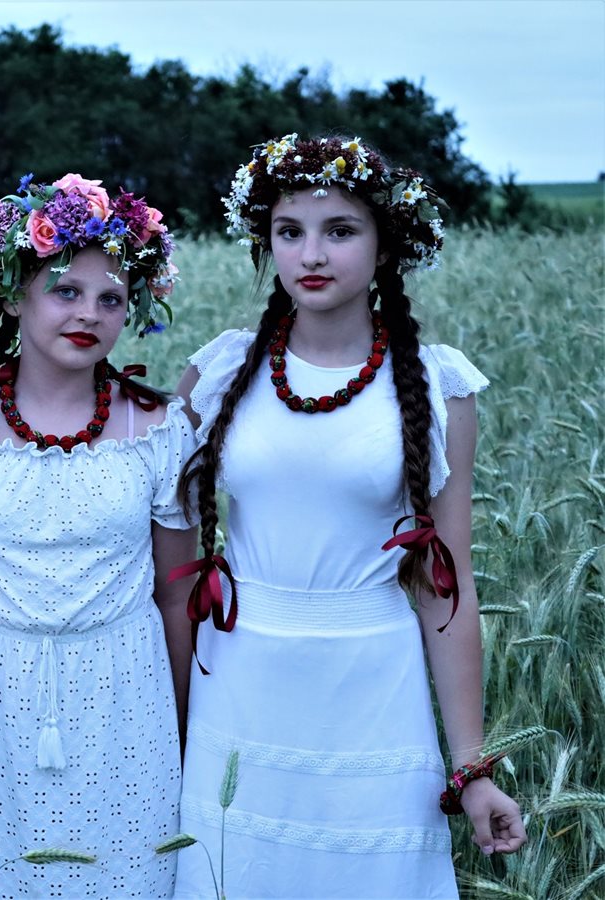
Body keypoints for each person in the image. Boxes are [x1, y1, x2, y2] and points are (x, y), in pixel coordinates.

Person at [171, 134, 526, 898]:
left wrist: (470, 768)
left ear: (384, 244)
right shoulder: (221, 370)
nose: (310, 254)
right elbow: (125, 478)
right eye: (288, 231)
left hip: (373, 687)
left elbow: (446, 588)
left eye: (339, 230)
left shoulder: (436, 387)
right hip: (238, 681)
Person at [0, 174, 198, 896]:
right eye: (65, 291)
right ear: (15, 296)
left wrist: (181, 724)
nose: (89, 314)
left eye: (111, 299)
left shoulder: (159, 429)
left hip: (125, 698)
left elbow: (178, 597)